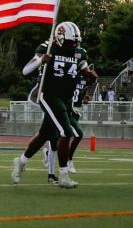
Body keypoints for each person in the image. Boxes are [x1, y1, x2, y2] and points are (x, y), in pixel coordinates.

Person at [11, 22, 96, 189]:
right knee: (66, 131)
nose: (74, 45)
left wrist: (90, 76)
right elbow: (26, 71)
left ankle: (20, 161)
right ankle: (64, 175)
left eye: (76, 42)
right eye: (71, 42)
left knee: (44, 134)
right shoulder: (47, 47)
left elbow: (85, 71)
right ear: (59, 38)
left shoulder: (79, 52)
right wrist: (42, 60)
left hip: (66, 98)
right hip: (48, 95)